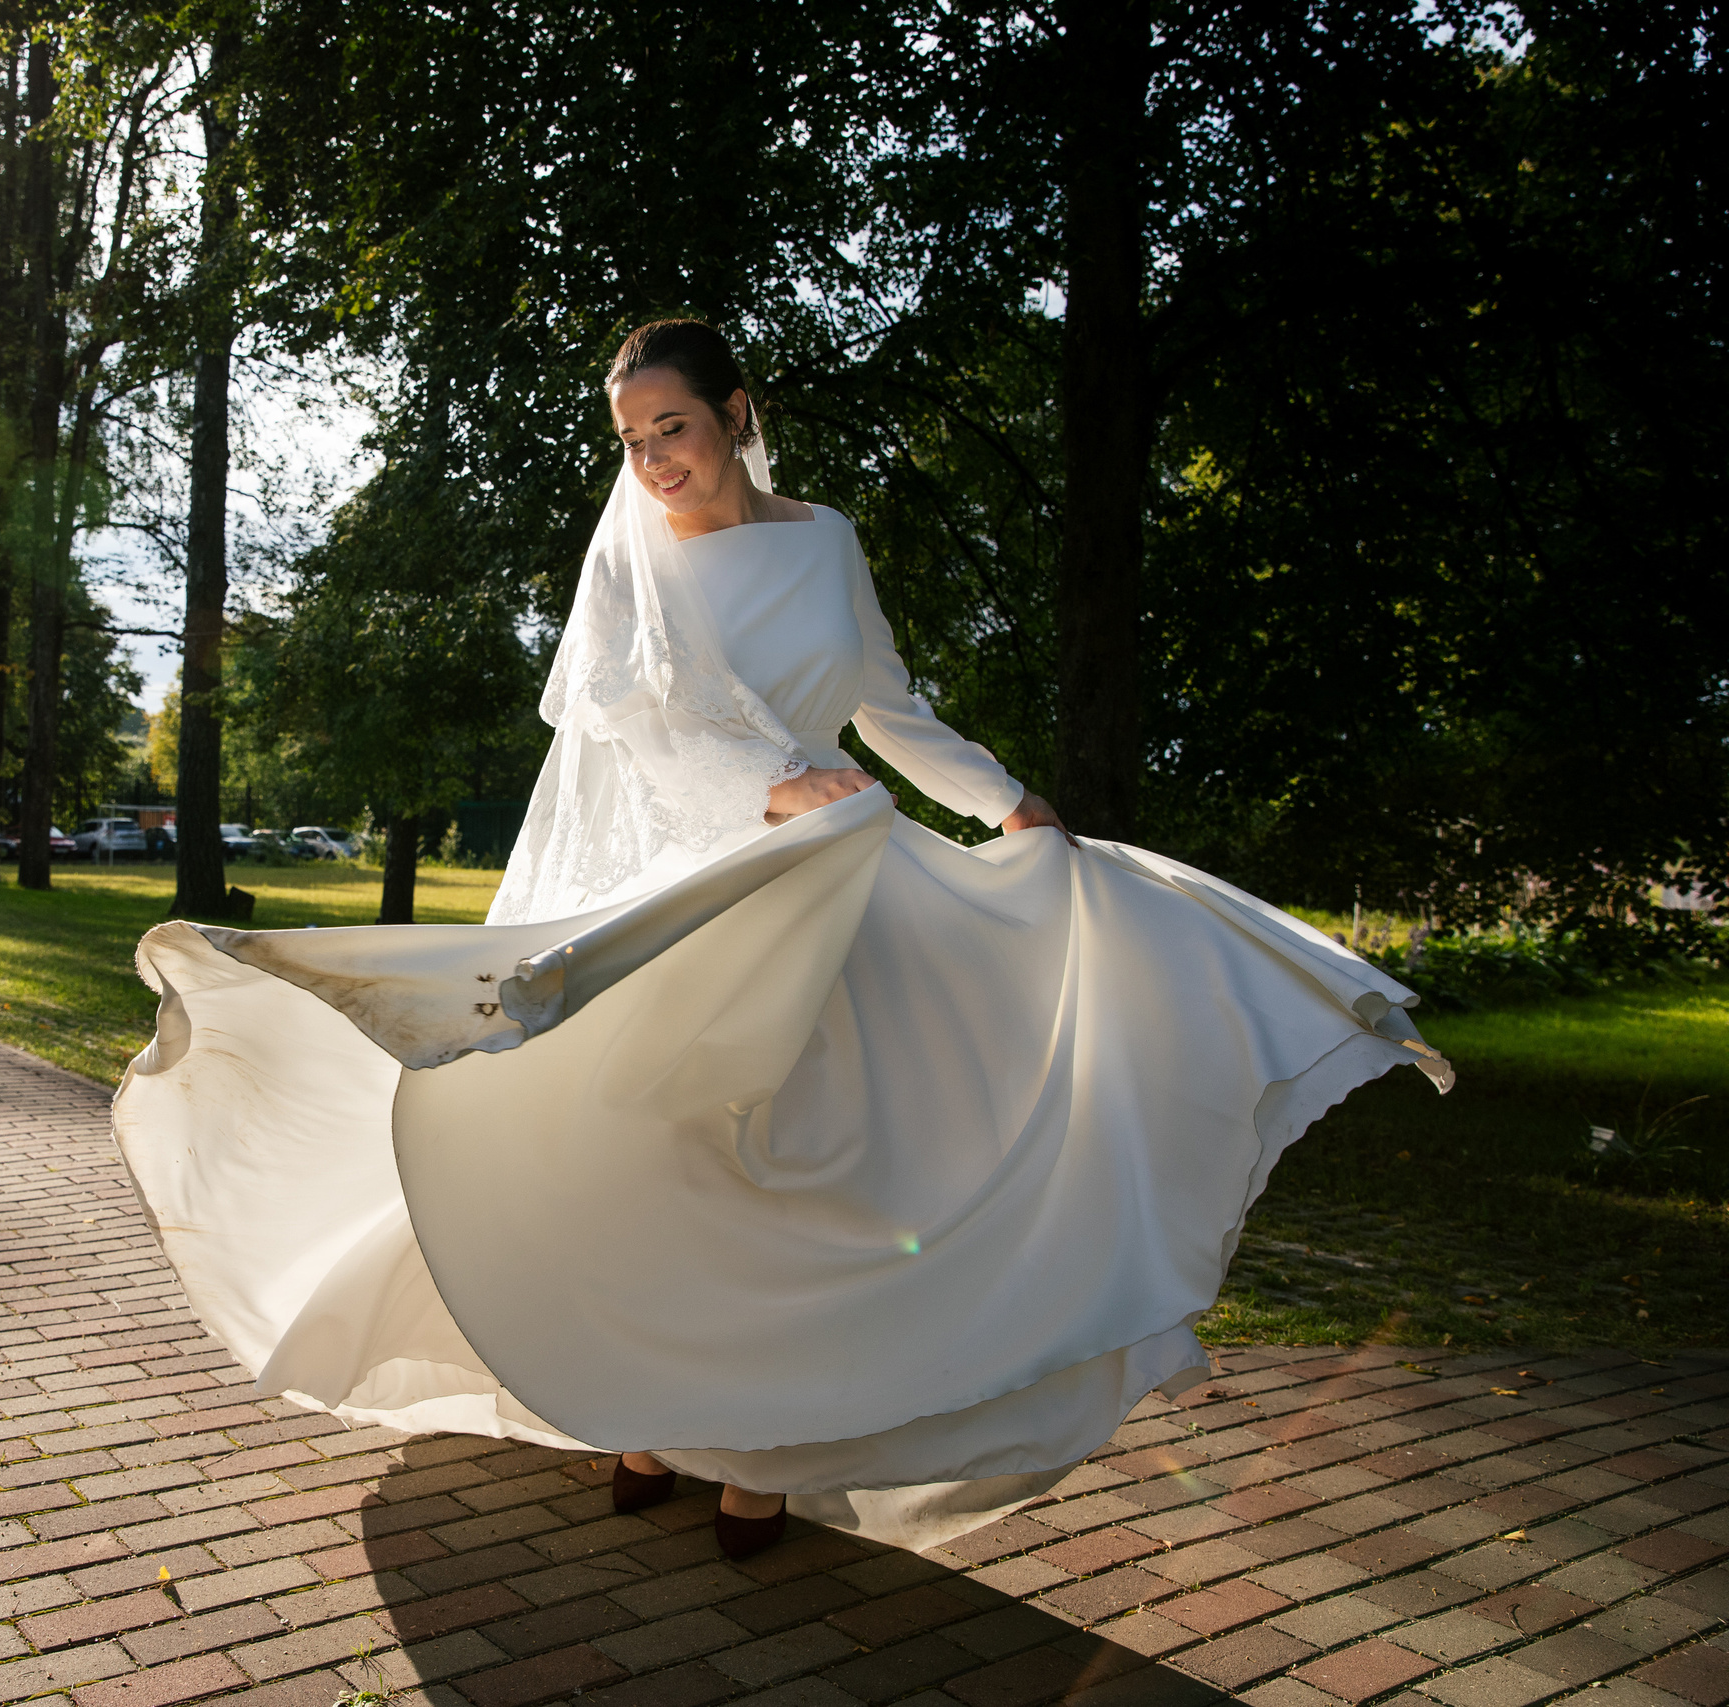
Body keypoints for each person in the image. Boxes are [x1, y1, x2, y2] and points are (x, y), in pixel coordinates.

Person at [114, 319, 1451, 1563]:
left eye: (675, 428)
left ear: (737, 414)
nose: (655, 460)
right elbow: (632, 727)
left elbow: (884, 706)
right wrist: (770, 782)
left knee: (821, 1166)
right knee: (666, 1156)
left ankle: (760, 1455)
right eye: (633, 439)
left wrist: (1005, 803)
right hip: (705, 874)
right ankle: (647, 1416)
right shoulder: (630, 559)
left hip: (847, 878)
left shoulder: (828, 542)